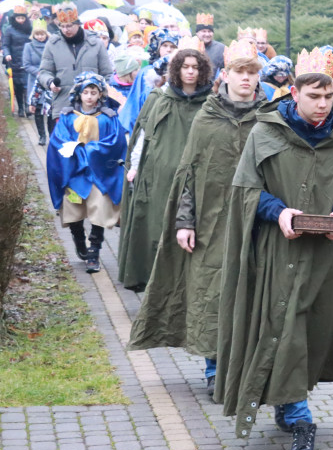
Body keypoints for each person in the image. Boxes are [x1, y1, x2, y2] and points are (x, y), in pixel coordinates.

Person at [215, 47, 333, 450]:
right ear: (295, 92)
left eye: (328, 97)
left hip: (324, 258)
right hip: (276, 253)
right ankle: (300, 419)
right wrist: (279, 212)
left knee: (308, 330)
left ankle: (288, 405)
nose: (322, 105)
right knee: (282, 326)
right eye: (314, 96)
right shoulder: (266, 134)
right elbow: (247, 190)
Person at [128, 40, 265, 392]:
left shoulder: (270, 117)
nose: (246, 79)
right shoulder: (208, 117)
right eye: (240, 72)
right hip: (210, 222)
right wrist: (184, 222)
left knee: (253, 291)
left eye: (252, 72)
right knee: (209, 291)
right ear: (226, 75)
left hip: (259, 223)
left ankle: (245, 365)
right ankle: (213, 367)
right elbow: (188, 174)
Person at [118, 41, 213, 291]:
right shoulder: (159, 98)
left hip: (197, 178)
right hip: (159, 176)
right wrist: (135, 166)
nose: (190, 71)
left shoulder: (212, 103)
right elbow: (143, 136)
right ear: (176, 70)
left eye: (195, 67)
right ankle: (154, 284)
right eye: (185, 66)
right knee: (157, 229)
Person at [45, 73, 127, 273]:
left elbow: (116, 142)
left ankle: (94, 250)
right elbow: (58, 141)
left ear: (100, 94)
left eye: (94, 92)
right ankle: (79, 240)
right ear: (79, 94)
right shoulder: (67, 116)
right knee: (73, 208)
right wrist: (73, 149)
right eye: (86, 92)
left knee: (100, 207)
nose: (89, 97)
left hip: (98, 173)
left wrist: (90, 151)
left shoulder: (108, 118)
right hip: (74, 172)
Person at [37, 2, 115, 135]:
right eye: (62, 26)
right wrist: (50, 82)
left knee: (88, 146)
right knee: (64, 148)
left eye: (69, 26)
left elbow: (107, 74)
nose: (66, 30)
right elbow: (44, 71)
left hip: (92, 108)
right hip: (63, 103)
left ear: (78, 24)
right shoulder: (53, 44)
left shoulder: (95, 43)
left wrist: (99, 93)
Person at [117, 28, 179, 133]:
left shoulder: (180, 74)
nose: (168, 50)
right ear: (158, 48)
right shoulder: (145, 73)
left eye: (172, 46)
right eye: (165, 46)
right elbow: (134, 103)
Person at [21, 19, 50, 144]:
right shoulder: (29, 46)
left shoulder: (51, 45)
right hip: (35, 81)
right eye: (37, 34)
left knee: (49, 110)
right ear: (33, 34)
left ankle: (52, 134)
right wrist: (39, 72)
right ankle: (42, 135)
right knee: (37, 110)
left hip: (49, 80)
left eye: (42, 34)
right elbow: (26, 64)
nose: (40, 37)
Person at [2, 4, 32, 117]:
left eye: (22, 18)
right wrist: (7, 54)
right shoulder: (9, 30)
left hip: (27, 60)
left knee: (27, 85)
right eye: (18, 18)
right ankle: (20, 107)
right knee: (18, 86)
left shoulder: (29, 28)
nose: (20, 20)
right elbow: (5, 45)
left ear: (25, 18)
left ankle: (28, 106)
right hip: (15, 60)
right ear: (14, 18)